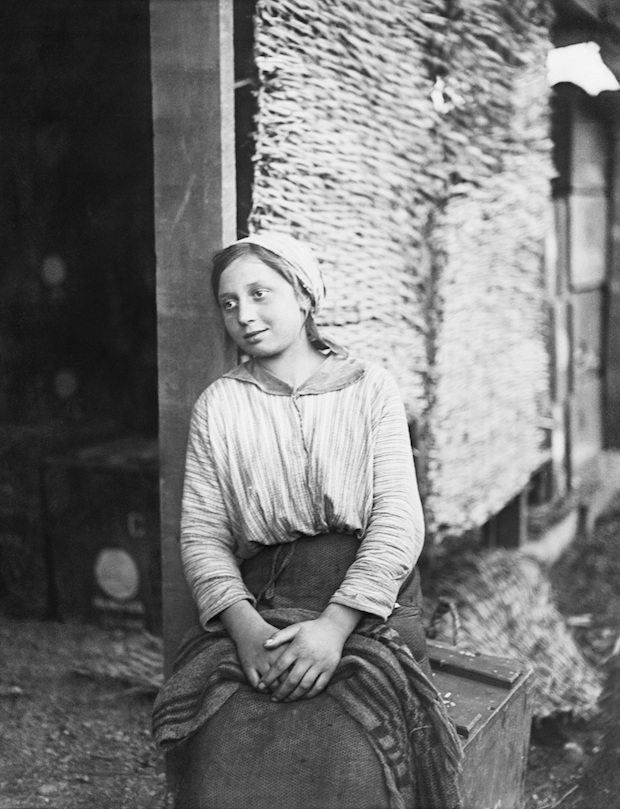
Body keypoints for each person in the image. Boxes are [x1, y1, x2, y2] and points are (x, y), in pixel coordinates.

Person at [153, 232, 462, 809]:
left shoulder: (370, 389)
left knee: (350, 751)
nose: (245, 314)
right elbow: (202, 536)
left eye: (260, 293)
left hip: (369, 604)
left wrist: (333, 629)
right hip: (264, 602)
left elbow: (397, 521)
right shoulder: (219, 406)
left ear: (303, 295)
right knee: (222, 748)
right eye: (229, 302)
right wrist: (248, 634)